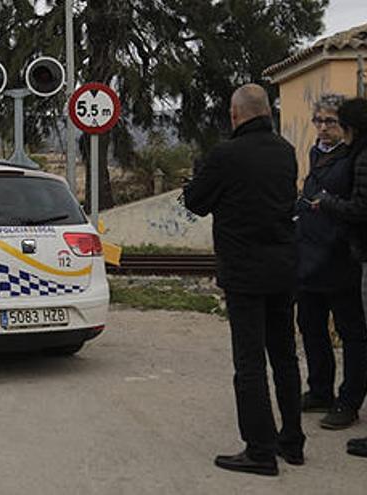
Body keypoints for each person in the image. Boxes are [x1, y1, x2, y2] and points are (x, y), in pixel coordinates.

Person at [184, 84, 303, 476]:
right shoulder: (286, 151)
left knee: (249, 362)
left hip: (244, 272)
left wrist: (199, 177)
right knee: (284, 355)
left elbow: (197, 202)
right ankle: (292, 440)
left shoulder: (226, 155)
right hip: (284, 268)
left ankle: (259, 450)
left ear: (235, 115)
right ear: (267, 112)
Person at [295, 94, 367, 431]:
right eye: (319, 121)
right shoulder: (315, 153)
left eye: (331, 122)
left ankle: (349, 401)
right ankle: (319, 389)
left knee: (351, 333)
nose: (323, 129)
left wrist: (326, 205)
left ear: (345, 126)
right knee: (311, 327)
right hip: (309, 258)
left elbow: (355, 206)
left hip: (341, 258)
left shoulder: (354, 157)